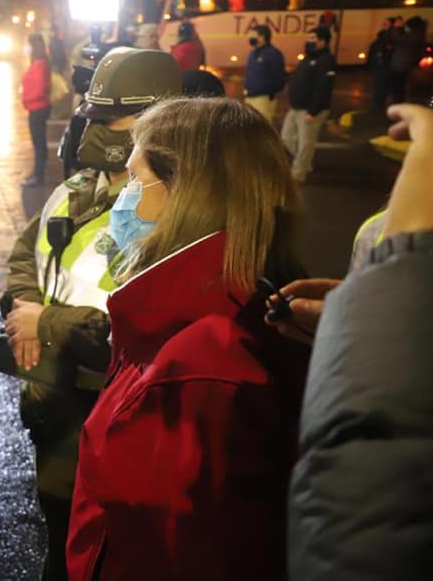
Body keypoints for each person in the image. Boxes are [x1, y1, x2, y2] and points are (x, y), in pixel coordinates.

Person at [67, 97, 309, 581]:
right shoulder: (218, 310)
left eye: (137, 179)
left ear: (188, 193)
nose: (124, 197)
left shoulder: (198, 369)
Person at [4, 47, 182, 581]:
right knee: (61, 540)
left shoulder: (172, 211)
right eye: (94, 115)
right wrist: (26, 304)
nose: (96, 128)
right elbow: (23, 252)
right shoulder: (79, 188)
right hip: (55, 408)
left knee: (110, 552)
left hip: (116, 415)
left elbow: (154, 330)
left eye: (111, 119)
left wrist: (47, 327)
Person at [288, 103, 433, 580]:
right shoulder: (376, 233)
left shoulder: (397, 237)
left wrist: (408, 263)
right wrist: (354, 318)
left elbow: (363, 513)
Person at [282, 27, 336, 182]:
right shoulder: (308, 58)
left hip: (310, 110)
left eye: (313, 38)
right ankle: (305, 163)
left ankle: (298, 174)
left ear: (323, 41)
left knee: (306, 143)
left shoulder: (326, 61)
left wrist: (313, 111)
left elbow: (325, 88)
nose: (309, 41)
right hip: (296, 107)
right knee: (286, 137)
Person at [21, 34, 52, 186]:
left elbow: (40, 88)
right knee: (39, 142)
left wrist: (27, 99)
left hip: (38, 107)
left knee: (38, 143)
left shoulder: (40, 64)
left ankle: (38, 176)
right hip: (37, 107)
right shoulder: (39, 62)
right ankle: (38, 173)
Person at [244, 24, 286, 124]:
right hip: (249, 97)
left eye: (253, 35)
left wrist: (269, 92)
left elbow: (279, 78)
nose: (250, 38)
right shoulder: (253, 53)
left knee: (262, 129)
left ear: (262, 37)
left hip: (263, 99)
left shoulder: (273, 54)